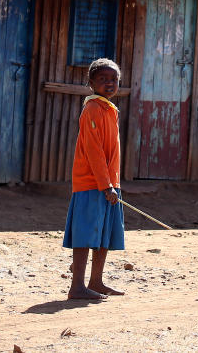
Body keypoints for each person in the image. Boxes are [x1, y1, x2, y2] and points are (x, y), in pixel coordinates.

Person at [62, 57, 126, 300]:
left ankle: (96, 282)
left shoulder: (109, 109)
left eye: (114, 79)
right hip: (93, 183)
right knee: (85, 234)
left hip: (109, 183)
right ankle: (77, 286)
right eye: (102, 79)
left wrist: (112, 184)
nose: (109, 83)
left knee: (104, 235)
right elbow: (94, 150)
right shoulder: (92, 109)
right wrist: (105, 184)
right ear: (91, 83)